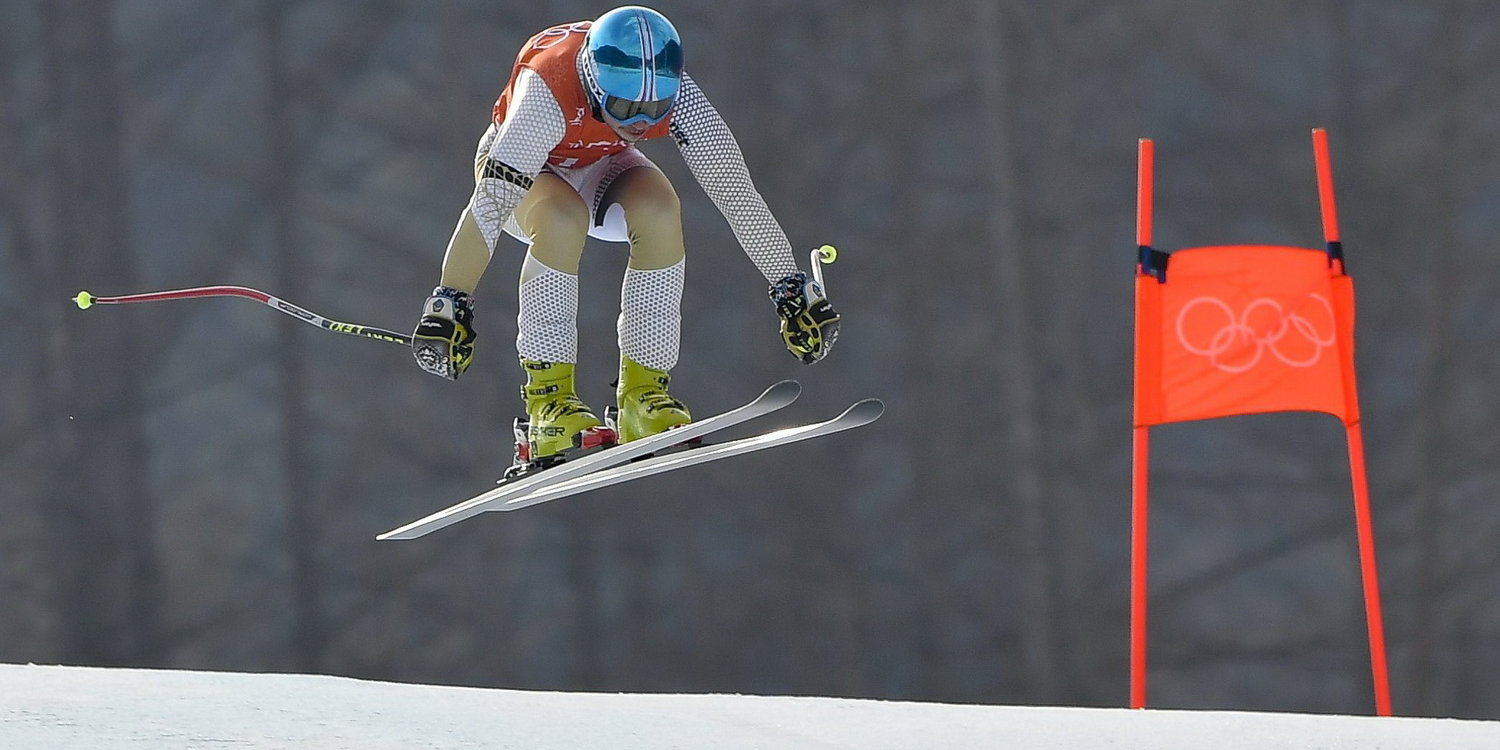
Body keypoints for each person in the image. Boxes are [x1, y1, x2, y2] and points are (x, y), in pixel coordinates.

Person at [411, 5, 839, 464]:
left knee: (659, 209)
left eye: (653, 110)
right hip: (528, 173)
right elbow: (491, 204)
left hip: (600, 165)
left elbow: (733, 187)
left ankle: (643, 396)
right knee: (561, 218)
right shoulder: (548, 88)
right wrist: (450, 300)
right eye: (624, 107)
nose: (638, 122)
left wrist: (789, 285)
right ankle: (547, 404)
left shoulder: (674, 92)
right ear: (595, 84)